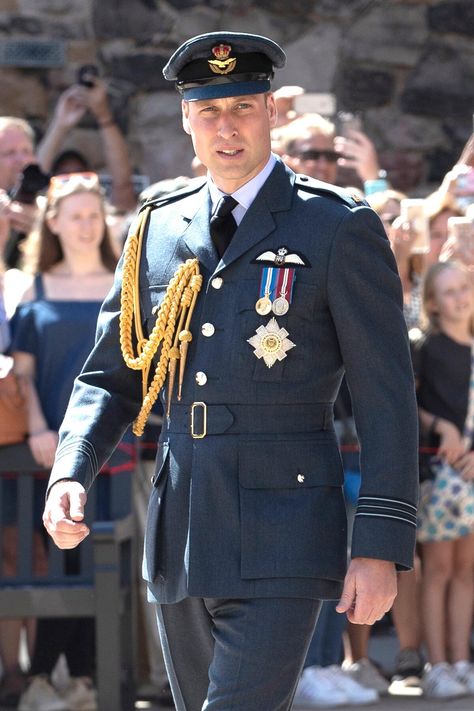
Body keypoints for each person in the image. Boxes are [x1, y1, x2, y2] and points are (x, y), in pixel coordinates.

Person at [42, 31, 419, 711]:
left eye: (243, 107)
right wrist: (72, 468)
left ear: (271, 111)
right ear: (186, 117)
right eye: (209, 110)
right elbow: (111, 375)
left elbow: (386, 395)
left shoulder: (334, 227)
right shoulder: (158, 226)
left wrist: (381, 544)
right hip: (184, 521)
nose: (227, 127)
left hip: (288, 525)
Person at [9, 172, 125, 711]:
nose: (85, 225)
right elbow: (22, 374)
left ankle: (80, 679)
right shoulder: (33, 291)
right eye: (74, 216)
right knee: (58, 558)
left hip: (115, 452)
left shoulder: (122, 282)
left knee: (101, 564)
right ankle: (43, 678)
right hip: (47, 455)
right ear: (52, 222)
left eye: (93, 215)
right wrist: (36, 427)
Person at [413, 260, 474, 699]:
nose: (460, 297)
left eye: (465, 287)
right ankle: (436, 663)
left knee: (467, 571)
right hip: (439, 474)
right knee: (437, 570)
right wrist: (441, 426)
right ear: (432, 304)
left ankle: (461, 659)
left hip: (471, 473)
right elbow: (408, 403)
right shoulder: (426, 348)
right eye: (449, 291)